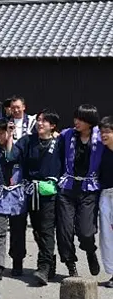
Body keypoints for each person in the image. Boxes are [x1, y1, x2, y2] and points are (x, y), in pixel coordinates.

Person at [5, 110, 63, 285]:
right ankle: (17, 261)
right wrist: (10, 137)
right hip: (26, 190)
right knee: (17, 227)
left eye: (44, 121)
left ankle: (44, 267)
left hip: (47, 193)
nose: (40, 123)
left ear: (52, 126)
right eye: (38, 120)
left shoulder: (59, 143)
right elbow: (11, 156)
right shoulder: (27, 140)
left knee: (44, 230)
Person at [56, 104, 103, 277]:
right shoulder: (67, 135)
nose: (76, 121)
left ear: (90, 122)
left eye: (81, 119)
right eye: (76, 117)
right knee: (65, 230)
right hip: (67, 188)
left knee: (86, 232)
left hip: (89, 189)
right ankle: (70, 264)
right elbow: (53, 138)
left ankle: (90, 251)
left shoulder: (100, 138)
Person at [0, 118, 27, 282]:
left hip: (17, 194)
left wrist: (10, 137)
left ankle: (17, 261)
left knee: (18, 231)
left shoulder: (19, 146)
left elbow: (11, 157)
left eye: (1, 133)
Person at [97, 116, 113, 288]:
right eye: (102, 132)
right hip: (106, 195)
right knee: (107, 237)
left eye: (107, 132)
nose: (104, 135)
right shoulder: (101, 151)